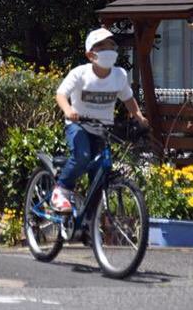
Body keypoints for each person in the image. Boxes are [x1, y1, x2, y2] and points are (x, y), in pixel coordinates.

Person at [50, 27, 149, 212]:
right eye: (102, 47)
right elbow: (61, 94)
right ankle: (61, 190)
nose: (108, 50)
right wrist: (69, 110)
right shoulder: (80, 73)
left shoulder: (119, 75)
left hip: (103, 128)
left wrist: (139, 117)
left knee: (101, 172)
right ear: (90, 55)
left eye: (111, 46)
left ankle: (90, 222)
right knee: (82, 156)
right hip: (79, 125)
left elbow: (128, 99)